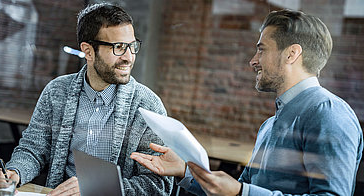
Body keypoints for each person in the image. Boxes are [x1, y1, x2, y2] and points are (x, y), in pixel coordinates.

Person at [131, 9, 363, 196]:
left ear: (291, 54)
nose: (253, 61)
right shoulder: (269, 125)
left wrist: (243, 192)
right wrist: (185, 171)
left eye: (261, 50)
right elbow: (236, 190)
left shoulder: (329, 114)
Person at [1, 3, 173, 195]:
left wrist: (97, 188)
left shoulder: (148, 106)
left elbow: (158, 184)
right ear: (88, 51)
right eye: (118, 47)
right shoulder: (56, 91)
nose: (129, 57)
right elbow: (33, 149)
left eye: (132, 46)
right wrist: (14, 172)